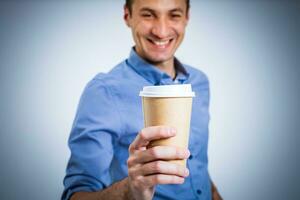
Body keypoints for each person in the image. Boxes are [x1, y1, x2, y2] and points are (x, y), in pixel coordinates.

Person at [62, 0, 222, 199]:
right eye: (148, 14)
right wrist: (131, 189)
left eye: (174, 15)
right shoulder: (104, 91)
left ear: (187, 17)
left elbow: (197, 167)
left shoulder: (199, 82)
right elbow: (76, 196)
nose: (161, 31)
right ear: (127, 16)